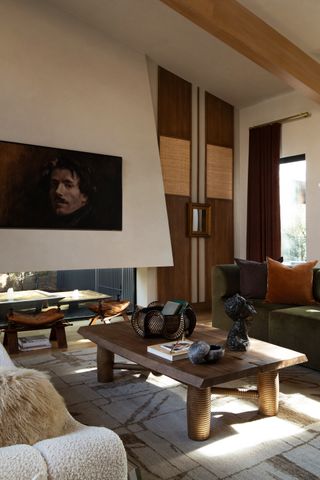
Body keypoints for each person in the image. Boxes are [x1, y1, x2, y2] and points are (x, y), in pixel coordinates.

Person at [45, 156, 98, 229]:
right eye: (54, 184)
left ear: (85, 195)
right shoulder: (48, 223)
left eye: (68, 185)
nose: (57, 191)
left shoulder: (93, 225)